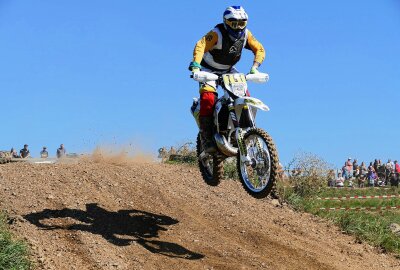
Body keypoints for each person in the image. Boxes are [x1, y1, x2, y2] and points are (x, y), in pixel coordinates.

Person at [188, 6, 265, 153]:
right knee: (208, 98)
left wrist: (255, 67)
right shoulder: (217, 33)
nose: (238, 27)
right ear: (226, 22)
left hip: (228, 70)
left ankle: (242, 130)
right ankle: (206, 138)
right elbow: (201, 44)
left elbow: (259, 48)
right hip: (208, 69)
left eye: (241, 23)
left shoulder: (246, 34)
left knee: (244, 95)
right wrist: (196, 65)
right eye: (234, 23)